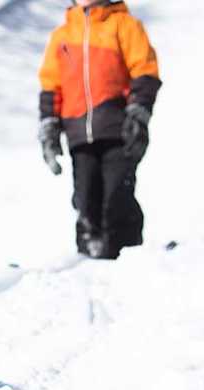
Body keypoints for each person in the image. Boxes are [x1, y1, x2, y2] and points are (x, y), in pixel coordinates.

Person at [38, 0, 160, 259]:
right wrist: (49, 127)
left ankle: (126, 251)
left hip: (118, 129)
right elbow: (51, 85)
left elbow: (145, 70)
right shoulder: (62, 36)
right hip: (78, 133)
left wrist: (138, 112)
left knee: (116, 194)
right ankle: (89, 253)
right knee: (85, 198)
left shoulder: (124, 25)